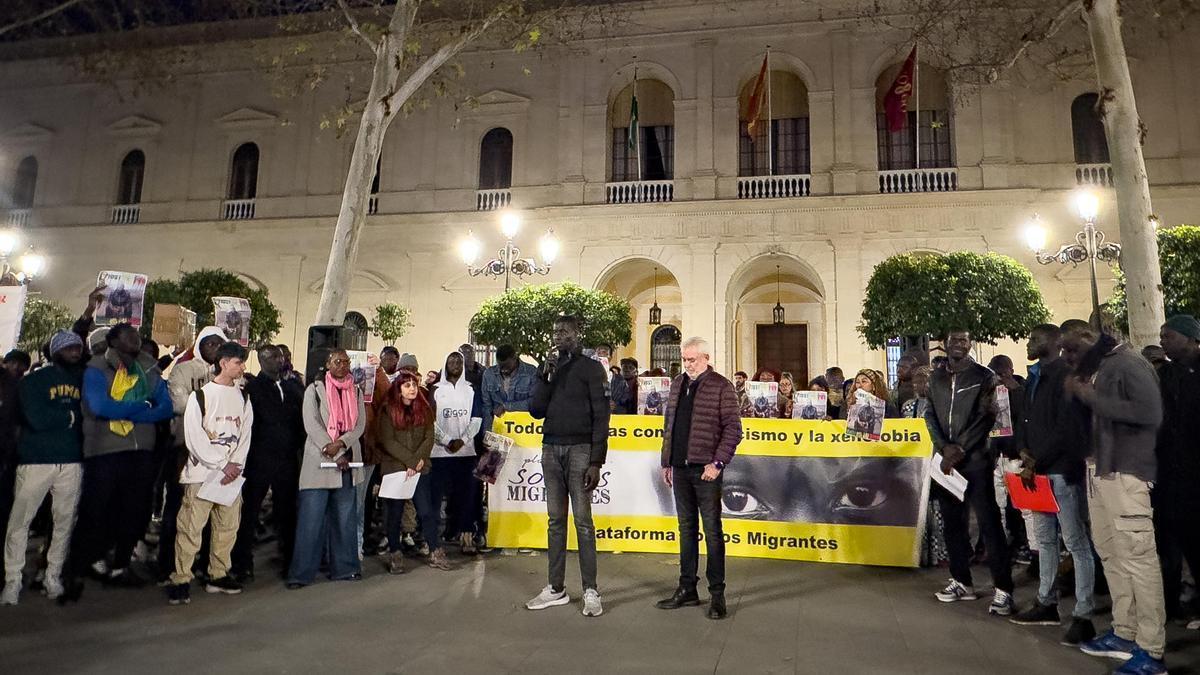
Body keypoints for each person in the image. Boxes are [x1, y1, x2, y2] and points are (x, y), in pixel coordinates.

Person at [1061, 320, 1167, 674]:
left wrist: (1092, 398)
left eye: (1073, 348)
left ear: (1092, 338)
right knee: (1111, 553)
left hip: (1127, 471)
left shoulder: (1129, 363)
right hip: (1102, 471)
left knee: (1138, 558)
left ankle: (1151, 650)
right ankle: (1125, 631)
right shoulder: (1101, 366)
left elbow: (1151, 414)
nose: (1068, 355)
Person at [1008, 324, 1097, 646]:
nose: (1028, 342)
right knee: (1045, 539)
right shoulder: (1035, 376)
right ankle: (1046, 602)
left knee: (1076, 542)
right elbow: (1026, 419)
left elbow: (1066, 427)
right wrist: (1022, 450)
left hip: (1060, 471)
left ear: (1055, 342)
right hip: (1037, 472)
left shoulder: (1064, 375)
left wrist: (1037, 460)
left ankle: (1084, 614)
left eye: (1034, 338)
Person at [70, 323, 173, 595]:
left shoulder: (149, 368)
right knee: (99, 508)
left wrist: (128, 413)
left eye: (137, 336)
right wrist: (141, 407)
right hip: (105, 449)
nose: (135, 340)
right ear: (113, 341)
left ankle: (121, 564)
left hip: (141, 449)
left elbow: (165, 408)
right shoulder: (96, 368)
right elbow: (99, 406)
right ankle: (89, 560)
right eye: (128, 336)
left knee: (134, 509)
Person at [925, 328, 1014, 615]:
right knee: (952, 524)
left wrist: (959, 449)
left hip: (975, 460)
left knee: (989, 523)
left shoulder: (983, 376)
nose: (958, 345)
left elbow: (986, 417)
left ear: (970, 344)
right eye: (954, 340)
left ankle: (1003, 588)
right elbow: (929, 414)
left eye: (963, 340)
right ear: (945, 344)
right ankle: (961, 580)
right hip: (947, 462)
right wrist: (942, 447)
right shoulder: (936, 377)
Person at [526, 314, 610, 617]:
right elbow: (536, 410)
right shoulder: (548, 368)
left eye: (564, 331)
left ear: (578, 333)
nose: (558, 335)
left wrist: (596, 461)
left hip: (580, 450)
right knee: (555, 521)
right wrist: (543, 377)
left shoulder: (591, 368)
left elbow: (602, 416)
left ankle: (590, 590)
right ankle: (555, 588)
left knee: (584, 524)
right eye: (555, 331)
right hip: (551, 448)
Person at [655, 337, 741, 620]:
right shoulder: (678, 383)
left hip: (706, 470)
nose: (687, 364)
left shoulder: (721, 386)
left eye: (692, 359)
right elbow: (670, 425)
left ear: (705, 358)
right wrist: (667, 461)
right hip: (680, 468)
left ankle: (717, 594)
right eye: (685, 359)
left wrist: (718, 462)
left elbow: (733, 429)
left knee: (713, 532)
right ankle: (687, 588)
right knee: (686, 529)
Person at [167, 341, 253, 606]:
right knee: (191, 528)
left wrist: (235, 465)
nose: (242, 368)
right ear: (224, 362)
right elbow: (195, 437)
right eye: (238, 362)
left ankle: (218, 573)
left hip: (231, 477)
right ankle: (181, 578)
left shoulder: (243, 397)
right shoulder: (200, 397)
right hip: (202, 475)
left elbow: (245, 436)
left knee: (227, 528)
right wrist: (220, 464)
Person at [2, 332, 84, 605]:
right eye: (69, 347)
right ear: (55, 351)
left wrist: (63, 419)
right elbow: (36, 418)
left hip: (71, 460)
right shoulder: (34, 381)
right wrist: (71, 416)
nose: (75, 352)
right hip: (36, 459)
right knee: (20, 522)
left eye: (78, 347)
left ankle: (53, 575)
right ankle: (12, 580)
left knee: (64, 523)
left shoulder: (80, 379)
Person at [287, 349, 367, 589]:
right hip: (319, 460)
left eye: (345, 361)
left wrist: (342, 445)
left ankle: (345, 568)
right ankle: (301, 573)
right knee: (310, 520)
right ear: (327, 364)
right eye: (337, 361)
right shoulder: (314, 389)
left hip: (347, 462)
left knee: (344, 519)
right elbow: (311, 422)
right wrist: (333, 448)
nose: (342, 365)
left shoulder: (356, 390)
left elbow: (360, 424)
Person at [158, 326, 227, 584]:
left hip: (217, 452)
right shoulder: (184, 370)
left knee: (211, 510)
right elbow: (179, 403)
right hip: (184, 447)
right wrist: (215, 404)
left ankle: (203, 564)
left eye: (220, 344)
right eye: (210, 344)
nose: (215, 349)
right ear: (200, 346)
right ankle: (167, 565)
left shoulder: (225, 373)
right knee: (178, 507)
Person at [230, 345, 305, 582]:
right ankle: (242, 563)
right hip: (259, 459)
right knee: (250, 513)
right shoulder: (252, 388)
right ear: (261, 361)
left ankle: (290, 561)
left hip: (286, 459)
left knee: (287, 513)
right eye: (272, 357)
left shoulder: (293, 387)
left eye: (280, 356)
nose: (278, 360)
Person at [1151, 315, 1200, 625]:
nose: (1163, 341)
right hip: (1173, 475)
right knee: (1181, 541)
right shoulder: (1166, 374)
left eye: (1168, 336)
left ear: (1191, 338)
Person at [376, 371, 436, 575]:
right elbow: (387, 440)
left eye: (414, 385)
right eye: (407, 385)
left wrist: (418, 461)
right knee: (394, 514)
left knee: (426, 511)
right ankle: (395, 552)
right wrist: (410, 461)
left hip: (419, 468)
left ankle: (435, 550)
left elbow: (429, 436)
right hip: (396, 468)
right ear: (399, 388)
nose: (412, 388)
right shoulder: (388, 409)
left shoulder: (424, 409)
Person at [430, 351, 482, 559]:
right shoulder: (435, 389)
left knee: (466, 496)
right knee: (436, 498)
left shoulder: (471, 390)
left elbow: (476, 419)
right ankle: (433, 540)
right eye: (451, 360)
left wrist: (462, 440)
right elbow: (430, 420)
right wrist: (446, 441)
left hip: (465, 452)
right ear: (445, 364)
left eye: (458, 360)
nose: (455, 364)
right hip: (439, 453)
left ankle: (466, 535)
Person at [481, 345, 538, 436]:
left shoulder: (531, 372)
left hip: (525, 431)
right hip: (498, 432)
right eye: (500, 365)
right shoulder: (489, 374)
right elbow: (486, 406)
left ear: (515, 358)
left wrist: (506, 406)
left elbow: (534, 402)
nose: (503, 370)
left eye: (506, 365)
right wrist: (487, 433)